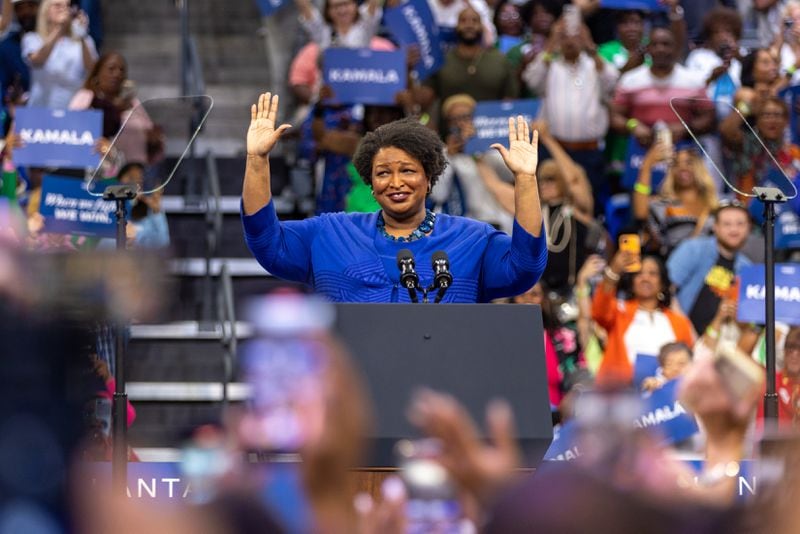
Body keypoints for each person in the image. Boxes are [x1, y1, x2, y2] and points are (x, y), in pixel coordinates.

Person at [241, 93, 546, 303]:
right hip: (355, 391)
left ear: (429, 179)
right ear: (371, 185)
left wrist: (526, 179)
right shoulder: (331, 233)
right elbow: (267, 242)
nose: (396, 183)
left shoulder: (471, 239)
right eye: (383, 173)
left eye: (408, 171)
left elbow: (525, 266)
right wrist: (257, 160)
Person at [522, 17, 618, 207]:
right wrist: (550, 45)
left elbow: (612, 81)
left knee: (589, 203)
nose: (570, 41)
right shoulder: (551, 65)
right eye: (564, 37)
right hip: (554, 149)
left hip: (589, 151)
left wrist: (591, 47)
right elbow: (531, 80)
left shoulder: (595, 65)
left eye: (576, 36)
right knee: (549, 203)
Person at [592, 251, 694, 385]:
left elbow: (687, 363)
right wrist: (614, 271)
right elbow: (599, 312)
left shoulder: (679, 322)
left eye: (653, 274)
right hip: (622, 395)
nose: (645, 278)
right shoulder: (619, 311)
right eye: (639, 274)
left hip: (664, 398)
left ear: (662, 283)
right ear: (632, 281)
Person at [418, 6, 519, 133]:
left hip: (491, 138)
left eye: (474, 21)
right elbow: (422, 103)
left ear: (482, 27)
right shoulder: (440, 61)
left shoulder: (500, 60)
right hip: (450, 140)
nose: (469, 25)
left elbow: (511, 102)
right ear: (456, 27)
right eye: (463, 21)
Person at [667, 200, 752, 336]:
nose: (734, 230)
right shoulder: (693, 249)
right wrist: (685, 330)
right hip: (679, 332)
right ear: (715, 227)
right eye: (727, 224)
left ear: (749, 228)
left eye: (740, 224)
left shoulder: (747, 267)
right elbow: (666, 289)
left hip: (718, 340)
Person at [69, 52, 157, 167]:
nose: (117, 74)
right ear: (97, 73)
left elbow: (151, 133)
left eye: (122, 70)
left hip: (130, 170)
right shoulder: (86, 97)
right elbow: (70, 129)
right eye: (111, 69)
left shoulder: (132, 102)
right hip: (94, 168)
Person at [632, 143, 718, 258]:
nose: (683, 168)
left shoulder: (715, 206)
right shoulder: (664, 204)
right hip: (673, 266)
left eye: (689, 162)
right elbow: (641, 213)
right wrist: (647, 166)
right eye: (676, 164)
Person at [22, 0, 97, 109]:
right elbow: (37, 60)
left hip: (74, 109)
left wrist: (82, 34)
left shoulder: (84, 41)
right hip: (40, 109)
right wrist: (59, 29)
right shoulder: (32, 38)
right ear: (45, 11)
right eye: (57, 5)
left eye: (67, 6)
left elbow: (92, 69)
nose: (64, 9)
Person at [294, 0, 382, 50]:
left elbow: (373, 6)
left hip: (359, 78)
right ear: (328, 10)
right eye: (336, 6)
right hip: (328, 81)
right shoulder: (322, 30)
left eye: (346, 4)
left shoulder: (364, 26)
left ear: (355, 6)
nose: (342, 10)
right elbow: (304, 7)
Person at [0, 0, 38, 103]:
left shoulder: (57, 42)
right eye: (20, 8)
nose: (26, 12)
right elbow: (3, 88)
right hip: (18, 112)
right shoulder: (7, 47)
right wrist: (10, 99)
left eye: (30, 6)